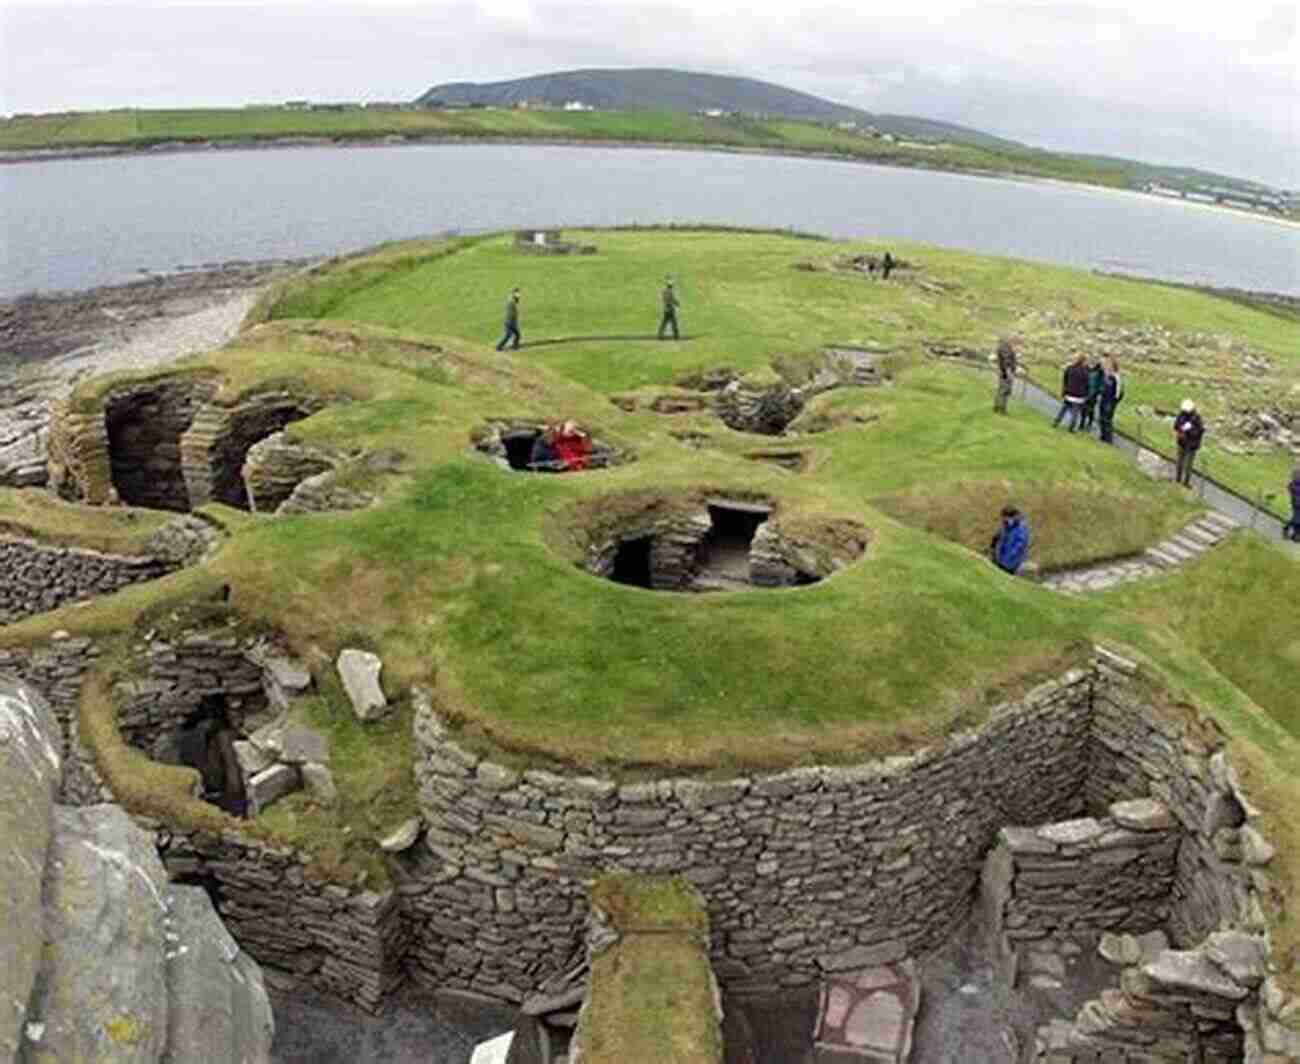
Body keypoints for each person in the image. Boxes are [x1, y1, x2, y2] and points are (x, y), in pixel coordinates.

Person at [1052, 354, 1090, 432]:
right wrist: (1086, 395)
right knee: (1075, 413)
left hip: (1068, 393)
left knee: (1063, 409)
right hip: (1078, 396)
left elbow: (1065, 380)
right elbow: (1087, 384)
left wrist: (1064, 392)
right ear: (1084, 362)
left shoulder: (1070, 368)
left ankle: (1056, 422)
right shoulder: (1084, 372)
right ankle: (1071, 428)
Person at [1173, 398, 1204, 487]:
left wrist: (1188, 431)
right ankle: (1178, 479)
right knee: (1181, 462)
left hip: (1191, 445)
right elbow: (1176, 426)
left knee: (1188, 464)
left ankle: (1185, 482)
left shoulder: (1196, 419)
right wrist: (1181, 430)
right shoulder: (1182, 415)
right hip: (1183, 443)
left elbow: (1199, 431)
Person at [990, 506, 1030, 575]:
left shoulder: (1021, 528)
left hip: (1009, 563)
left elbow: (1019, 547)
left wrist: (1008, 560)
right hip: (1001, 559)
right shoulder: (1007, 526)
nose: (1003, 520)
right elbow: (999, 538)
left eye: (1004, 518)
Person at [1097, 357, 1123, 444]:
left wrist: (1113, 402)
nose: (1107, 366)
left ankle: (1108, 439)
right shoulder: (1107, 375)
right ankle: (1103, 436)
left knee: (1107, 419)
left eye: (1109, 365)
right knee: (1101, 418)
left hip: (1110, 401)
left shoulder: (1116, 378)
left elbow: (1118, 393)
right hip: (1104, 399)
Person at [993, 337, 1018, 414]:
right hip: (1006, 372)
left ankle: (997, 407)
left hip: (1003, 371)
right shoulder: (1005, 347)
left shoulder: (1003, 347)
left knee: (1001, 389)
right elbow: (1007, 361)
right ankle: (1002, 409)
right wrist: (1009, 372)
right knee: (1005, 390)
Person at [1080, 357, 1105, 432]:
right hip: (1085, 392)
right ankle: (1082, 422)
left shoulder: (1100, 372)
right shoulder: (1085, 369)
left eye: (1094, 362)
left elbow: (1101, 383)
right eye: (1091, 362)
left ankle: (1089, 423)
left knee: (1091, 409)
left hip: (1093, 394)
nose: (1092, 363)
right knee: (1083, 409)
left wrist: (1099, 392)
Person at [1285, 465, 1300, 542]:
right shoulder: (1293, 483)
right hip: (1296, 502)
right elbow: (1289, 488)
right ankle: (1291, 532)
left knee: (1297, 518)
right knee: (1296, 518)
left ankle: (1296, 535)